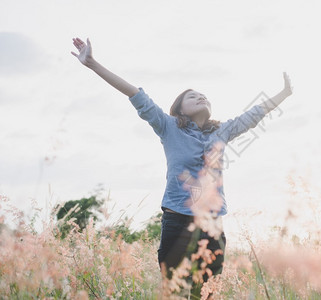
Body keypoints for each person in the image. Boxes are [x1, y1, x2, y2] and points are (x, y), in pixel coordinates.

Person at [71, 37, 293, 298]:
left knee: (207, 294)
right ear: (179, 108)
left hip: (212, 225)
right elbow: (135, 94)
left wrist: (284, 93)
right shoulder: (167, 126)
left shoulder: (221, 133)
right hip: (177, 221)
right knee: (176, 293)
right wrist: (93, 63)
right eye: (193, 96)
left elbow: (254, 114)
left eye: (204, 96)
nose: (201, 97)